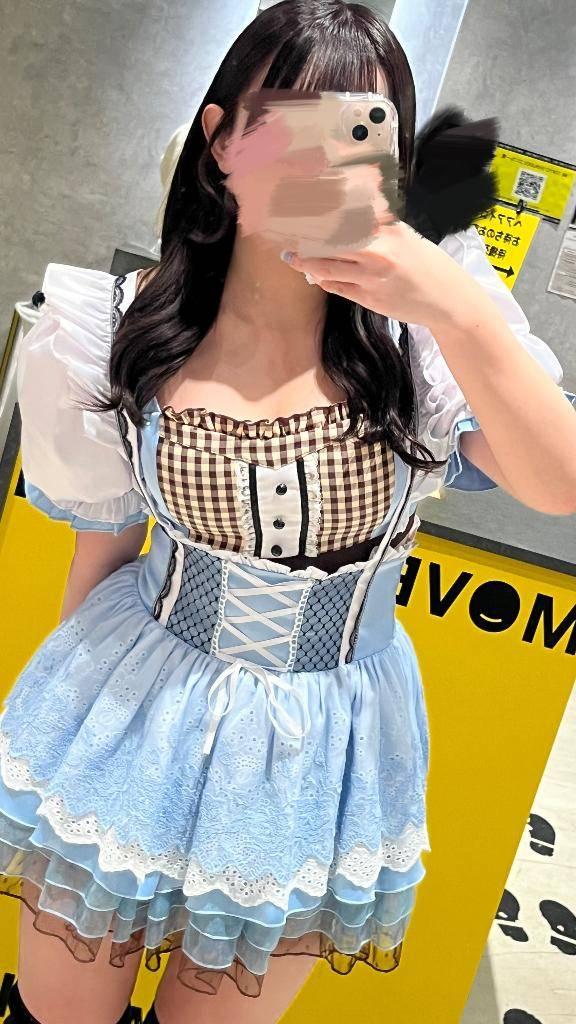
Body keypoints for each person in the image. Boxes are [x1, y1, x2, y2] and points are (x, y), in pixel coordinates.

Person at [2, 2, 576, 1023]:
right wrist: (66, 748)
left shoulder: (424, 338)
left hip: (321, 748)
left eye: (361, 131)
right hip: (132, 707)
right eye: (290, 124)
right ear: (221, 139)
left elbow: (560, 484)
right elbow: (105, 551)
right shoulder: (118, 328)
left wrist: (452, 304)